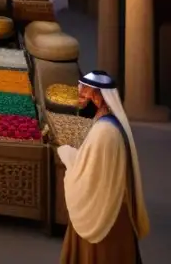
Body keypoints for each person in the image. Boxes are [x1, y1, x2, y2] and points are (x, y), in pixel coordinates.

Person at [59, 71, 149, 263]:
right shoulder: (106, 123)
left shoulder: (105, 132)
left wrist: (68, 156)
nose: (81, 101)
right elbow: (95, 165)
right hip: (113, 206)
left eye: (86, 96)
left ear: (99, 98)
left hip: (104, 213)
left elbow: (89, 176)